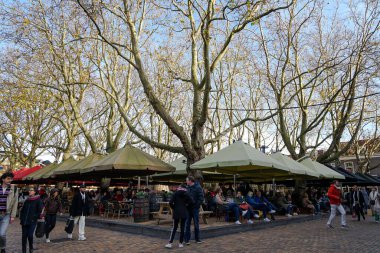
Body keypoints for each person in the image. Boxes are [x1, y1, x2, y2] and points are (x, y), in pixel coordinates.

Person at [165, 184, 194, 249]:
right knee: (182, 228)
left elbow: (170, 202)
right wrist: (186, 206)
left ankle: (170, 243)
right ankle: (180, 243)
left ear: (180, 187)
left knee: (174, 228)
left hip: (176, 212)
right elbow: (192, 202)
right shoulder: (187, 194)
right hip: (184, 212)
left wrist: (174, 208)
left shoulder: (175, 193)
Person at [19, 186, 43, 253]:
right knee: (24, 236)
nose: (29, 191)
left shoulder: (38, 200)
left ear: (35, 192)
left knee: (30, 235)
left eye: (31, 190)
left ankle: (31, 247)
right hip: (24, 221)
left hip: (32, 221)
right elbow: (23, 210)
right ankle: (23, 251)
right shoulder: (27, 200)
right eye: (29, 190)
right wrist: (21, 218)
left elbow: (40, 211)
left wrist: (34, 217)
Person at [0, 172, 19, 253]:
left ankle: (2, 248)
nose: (10, 180)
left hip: (6, 215)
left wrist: (13, 216)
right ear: (3, 179)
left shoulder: (14, 189)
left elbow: (15, 203)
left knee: (2, 234)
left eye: (11, 179)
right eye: (8, 178)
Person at [184, 176, 204, 245]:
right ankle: (187, 240)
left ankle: (197, 239)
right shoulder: (187, 188)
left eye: (187, 180)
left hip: (195, 209)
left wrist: (196, 206)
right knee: (187, 224)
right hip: (188, 209)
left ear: (190, 181)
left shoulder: (198, 187)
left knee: (196, 224)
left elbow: (201, 198)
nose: (186, 181)